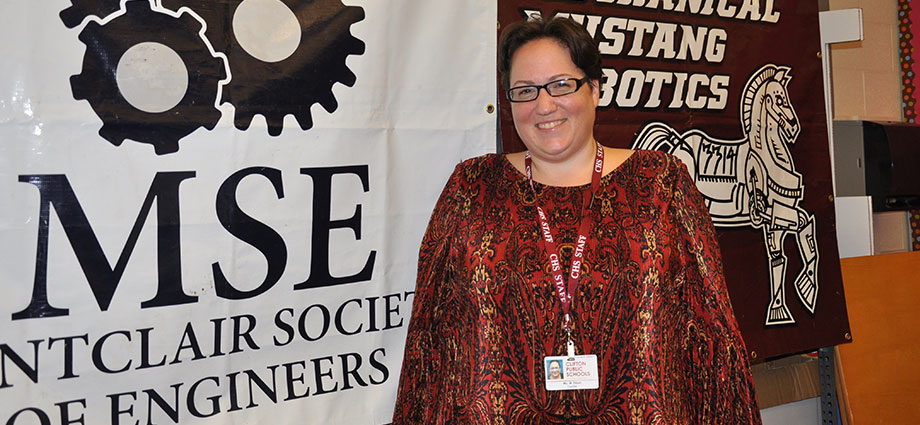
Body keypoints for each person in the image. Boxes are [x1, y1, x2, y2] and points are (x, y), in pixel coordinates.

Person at [393, 16, 761, 424]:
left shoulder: (660, 183)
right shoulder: (472, 187)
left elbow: (712, 331)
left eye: (561, 85)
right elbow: (430, 340)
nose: (544, 105)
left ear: (596, 89)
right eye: (525, 91)